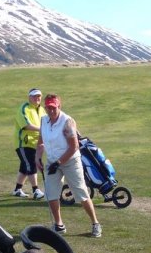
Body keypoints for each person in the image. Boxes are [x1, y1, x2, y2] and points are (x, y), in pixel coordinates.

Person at [36, 94, 102, 238]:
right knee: (51, 193)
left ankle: (95, 223)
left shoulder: (67, 121)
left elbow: (74, 147)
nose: (51, 111)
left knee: (81, 192)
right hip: (52, 162)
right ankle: (59, 225)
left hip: (71, 161)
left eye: (54, 108)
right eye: (48, 108)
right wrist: (37, 157)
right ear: (45, 108)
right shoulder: (44, 121)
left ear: (59, 106)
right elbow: (41, 142)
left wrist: (59, 163)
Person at [12, 88, 46, 199]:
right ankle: (35, 190)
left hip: (36, 143)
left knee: (24, 167)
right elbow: (26, 125)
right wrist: (42, 129)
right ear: (29, 97)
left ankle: (17, 189)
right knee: (31, 164)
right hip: (24, 142)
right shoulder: (24, 108)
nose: (37, 98)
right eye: (34, 96)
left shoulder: (42, 110)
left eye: (39, 96)